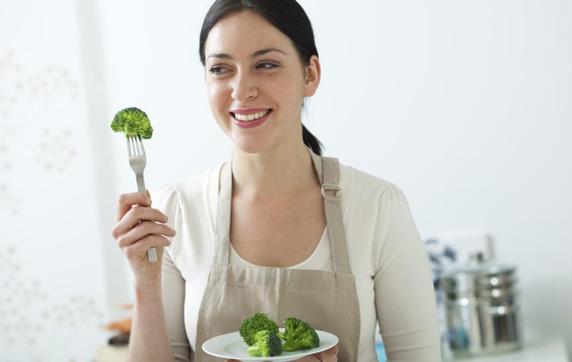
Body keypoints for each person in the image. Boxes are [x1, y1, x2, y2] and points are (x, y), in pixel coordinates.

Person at [111, 0, 441, 361]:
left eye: (265, 64)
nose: (241, 89)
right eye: (221, 68)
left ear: (310, 74)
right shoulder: (173, 209)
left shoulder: (377, 206)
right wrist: (145, 284)